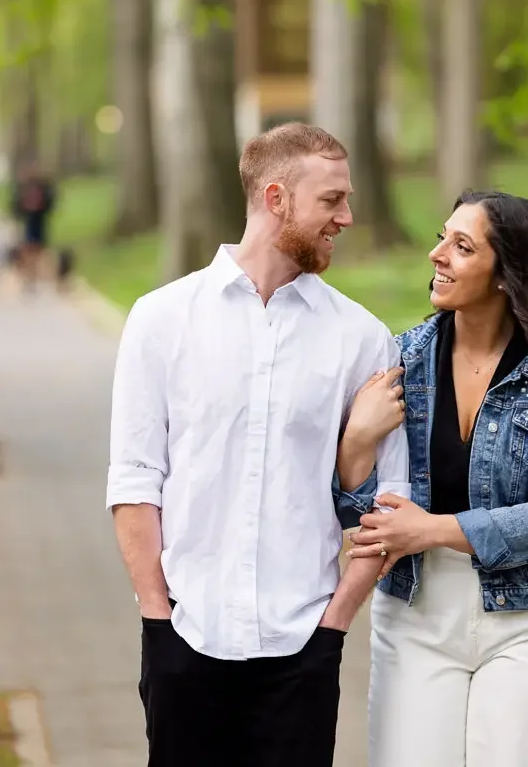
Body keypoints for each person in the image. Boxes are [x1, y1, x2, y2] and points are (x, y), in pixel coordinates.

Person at [106, 122, 410, 767]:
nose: (347, 217)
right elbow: (134, 479)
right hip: (185, 635)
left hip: (302, 647)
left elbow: (391, 501)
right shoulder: (161, 319)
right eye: (331, 200)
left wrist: (333, 628)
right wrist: (157, 619)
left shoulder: (364, 339)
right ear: (277, 198)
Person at [347, 190, 528, 767]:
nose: (437, 254)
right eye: (442, 237)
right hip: (415, 615)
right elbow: (358, 505)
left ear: (507, 275)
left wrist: (433, 530)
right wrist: (357, 440)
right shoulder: (399, 363)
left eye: (462, 246)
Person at [10, 161, 56, 284]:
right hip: (28, 218)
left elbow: (50, 199)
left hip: (39, 218)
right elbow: (16, 202)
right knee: (28, 246)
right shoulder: (23, 186)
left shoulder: (43, 185)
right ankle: (29, 273)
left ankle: (34, 272)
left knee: (38, 247)